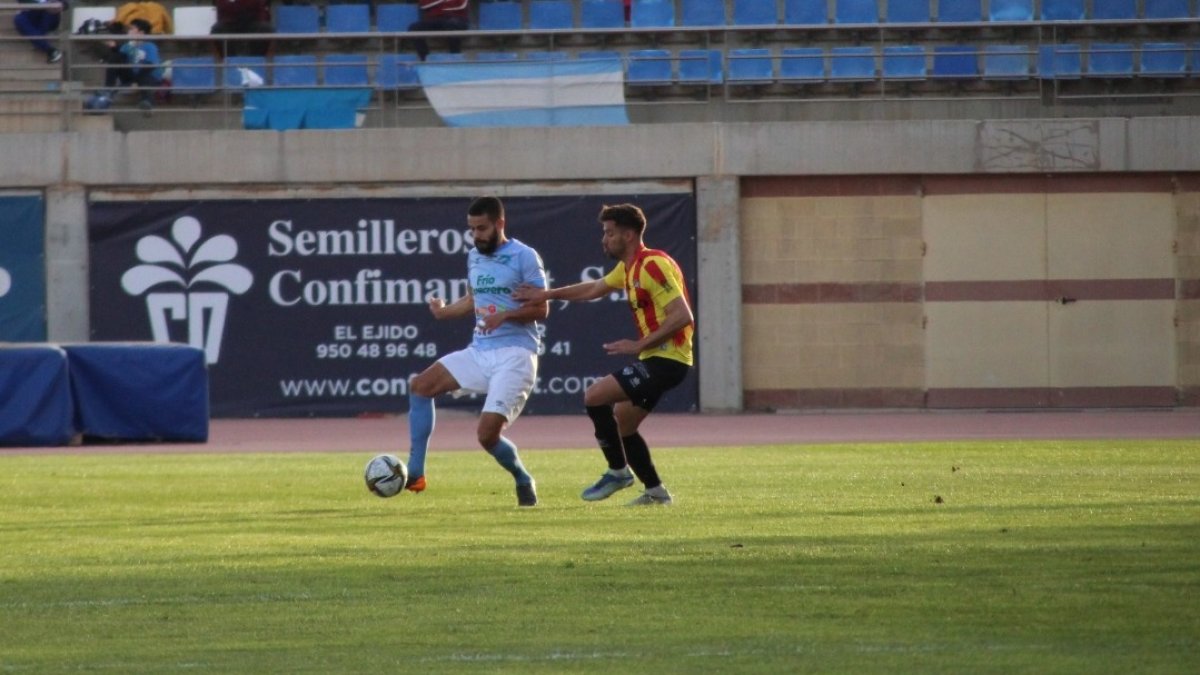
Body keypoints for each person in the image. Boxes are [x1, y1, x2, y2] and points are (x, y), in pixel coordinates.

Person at [513, 204, 694, 506]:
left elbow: (682, 315)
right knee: (624, 423)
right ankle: (656, 492)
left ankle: (618, 471)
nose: (604, 240)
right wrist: (547, 294)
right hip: (658, 359)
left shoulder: (652, 264)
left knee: (594, 395)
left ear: (629, 234)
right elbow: (594, 288)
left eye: (610, 233)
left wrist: (639, 345)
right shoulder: (629, 267)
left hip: (668, 360)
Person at [404, 196, 550, 507]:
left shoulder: (524, 256)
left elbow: (542, 307)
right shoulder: (475, 256)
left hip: (516, 354)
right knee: (420, 386)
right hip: (480, 350)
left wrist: (506, 315)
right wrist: (444, 311)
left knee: (486, 436)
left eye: (482, 229)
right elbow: (473, 300)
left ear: (500, 223)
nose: (476, 236)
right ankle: (414, 473)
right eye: (471, 230)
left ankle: (523, 478)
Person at [83, 19, 164, 112]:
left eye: (132, 29)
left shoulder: (150, 46)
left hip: (148, 75)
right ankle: (108, 88)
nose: (129, 31)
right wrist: (114, 48)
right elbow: (120, 56)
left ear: (141, 33)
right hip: (132, 74)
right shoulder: (127, 46)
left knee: (145, 74)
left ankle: (147, 101)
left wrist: (136, 81)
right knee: (115, 57)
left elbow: (151, 64)